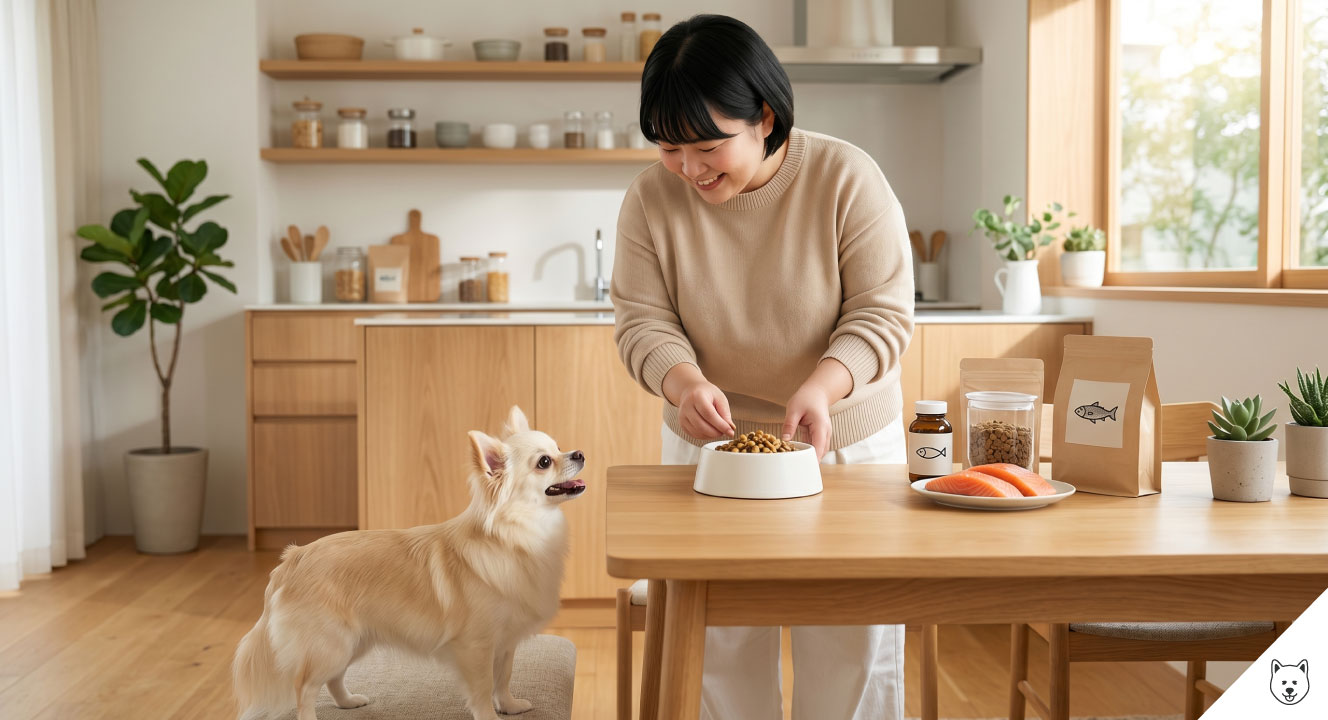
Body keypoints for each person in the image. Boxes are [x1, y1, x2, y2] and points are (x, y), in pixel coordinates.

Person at [610, 13, 915, 720]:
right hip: (709, 449)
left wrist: (822, 385)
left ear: (765, 117)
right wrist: (681, 382)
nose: (688, 169)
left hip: (841, 442)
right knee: (717, 645)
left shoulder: (846, 176)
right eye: (668, 148)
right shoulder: (650, 200)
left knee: (850, 644)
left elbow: (882, 313)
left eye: (707, 145)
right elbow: (642, 321)